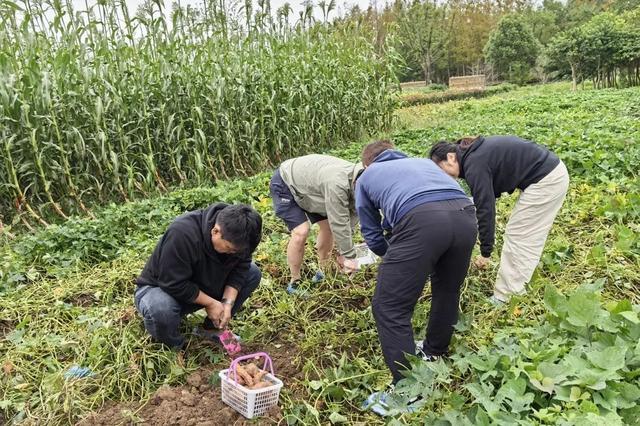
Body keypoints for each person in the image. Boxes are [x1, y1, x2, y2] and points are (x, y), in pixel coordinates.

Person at [357, 141, 477, 413]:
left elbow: (373, 235)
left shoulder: (367, 177)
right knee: (448, 289)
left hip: (422, 219)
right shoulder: (423, 163)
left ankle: (407, 391)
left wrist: (397, 256)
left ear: (367, 164)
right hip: (465, 216)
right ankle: (435, 351)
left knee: (390, 307)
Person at [429, 135, 569, 303]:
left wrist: (485, 252)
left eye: (440, 169)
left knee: (520, 235)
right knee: (528, 233)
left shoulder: (474, 164)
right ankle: (519, 282)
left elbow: (485, 208)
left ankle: (507, 297)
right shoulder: (473, 154)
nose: (443, 176)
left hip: (547, 180)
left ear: (450, 157)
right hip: (549, 173)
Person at [134, 203, 262, 348]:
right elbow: (172, 282)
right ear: (215, 231)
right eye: (229, 249)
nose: (233, 254)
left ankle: (211, 329)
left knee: (253, 273)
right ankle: (175, 347)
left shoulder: (240, 237)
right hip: (162, 288)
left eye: (238, 252)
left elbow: (241, 269)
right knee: (161, 309)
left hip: (200, 285)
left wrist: (227, 304)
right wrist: (211, 303)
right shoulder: (182, 233)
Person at [269, 154, 364, 294]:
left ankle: (323, 270)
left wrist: (343, 252)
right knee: (301, 231)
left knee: (328, 229)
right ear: (355, 184)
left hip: (313, 190)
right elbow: (339, 221)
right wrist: (349, 256)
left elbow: (350, 220)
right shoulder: (337, 184)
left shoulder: (364, 182)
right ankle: (294, 282)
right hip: (287, 183)